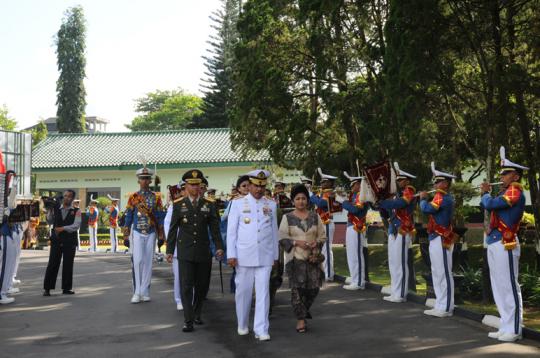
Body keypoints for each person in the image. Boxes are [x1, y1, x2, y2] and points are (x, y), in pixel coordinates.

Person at [166, 169, 224, 333]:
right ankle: (188, 319)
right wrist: (170, 250)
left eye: (197, 184)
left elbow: (215, 229)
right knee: (186, 286)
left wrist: (219, 247)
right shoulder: (178, 204)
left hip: (203, 250)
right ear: (185, 185)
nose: (195, 187)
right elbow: (173, 230)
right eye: (191, 185)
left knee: (202, 286)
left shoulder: (209, 204)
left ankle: (197, 313)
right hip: (185, 251)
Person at [480, 146, 527, 342]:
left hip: (505, 242)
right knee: (498, 285)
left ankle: (514, 328)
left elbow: (491, 204)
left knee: (508, 285)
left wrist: (485, 194)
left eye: (506, 173)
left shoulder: (516, 191)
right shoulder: (505, 192)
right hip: (495, 241)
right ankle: (506, 325)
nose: (502, 176)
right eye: (502, 173)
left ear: (515, 176)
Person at [227, 169, 279, 341]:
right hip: (244, 256)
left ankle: (261, 329)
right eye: (256, 186)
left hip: (264, 255)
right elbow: (232, 231)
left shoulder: (271, 204)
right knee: (243, 292)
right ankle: (242, 323)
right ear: (249, 185)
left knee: (263, 293)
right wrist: (231, 254)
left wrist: (275, 256)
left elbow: (273, 231)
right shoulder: (238, 203)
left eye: (262, 186)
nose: (259, 190)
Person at [279, 184, 326, 333]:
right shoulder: (287, 217)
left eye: (303, 198)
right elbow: (282, 238)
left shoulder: (315, 216)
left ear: (307, 200)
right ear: (293, 201)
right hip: (295, 259)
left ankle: (303, 311)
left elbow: (322, 235)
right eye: (298, 198)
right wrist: (295, 242)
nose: (301, 201)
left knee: (314, 289)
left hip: (312, 258)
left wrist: (316, 243)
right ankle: (300, 320)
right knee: (297, 290)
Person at [123, 164, 165, 304]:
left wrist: (161, 235)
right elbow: (128, 216)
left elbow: (159, 217)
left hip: (151, 232)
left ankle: (145, 291)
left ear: (150, 181)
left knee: (148, 262)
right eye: (142, 179)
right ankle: (136, 291)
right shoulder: (133, 197)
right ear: (138, 180)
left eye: (147, 179)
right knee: (137, 261)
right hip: (137, 232)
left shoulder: (156, 197)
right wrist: (125, 234)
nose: (145, 181)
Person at [419, 162, 456, 318]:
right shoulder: (439, 197)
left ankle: (446, 306)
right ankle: (440, 303)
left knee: (443, 272)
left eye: (437, 181)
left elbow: (427, 209)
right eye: (434, 182)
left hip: (442, 238)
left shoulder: (444, 198)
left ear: (445, 184)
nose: (434, 184)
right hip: (435, 236)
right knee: (436, 272)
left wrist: (422, 199)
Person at [378, 163, 417, 302]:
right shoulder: (396, 194)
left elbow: (400, 204)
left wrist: (383, 203)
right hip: (393, 229)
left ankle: (401, 294)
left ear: (407, 180)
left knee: (400, 262)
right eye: (398, 180)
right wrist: (377, 203)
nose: (398, 182)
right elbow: (388, 209)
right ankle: (395, 291)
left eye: (401, 180)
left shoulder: (410, 191)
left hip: (403, 228)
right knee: (393, 262)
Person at [42, 189, 82, 296]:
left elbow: (76, 225)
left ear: (72, 198)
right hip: (56, 240)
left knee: (68, 264)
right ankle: (47, 288)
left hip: (70, 241)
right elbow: (49, 221)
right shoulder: (55, 208)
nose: (67, 198)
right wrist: (49, 210)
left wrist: (63, 228)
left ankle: (66, 288)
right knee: (53, 263)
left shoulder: (77, 210)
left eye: (69, 196)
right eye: (65, 196)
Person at [337, 172, 369, 291]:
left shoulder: (361, 195)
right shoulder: (355, 196)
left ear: (359, 184)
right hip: (351, 225)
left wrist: (343, 202)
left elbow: (355, 210)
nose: (352, 188)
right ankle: (355, 279)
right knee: (351, 255)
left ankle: (359, 281)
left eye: (353, 185)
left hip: (357, 226)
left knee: (357, 255)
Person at [310, 168, 341, 281]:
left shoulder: (330, 193)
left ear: (330, 183)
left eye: (324, 181)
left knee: (326, 249)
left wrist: (311, 195)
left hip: (327, 222)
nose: (321, 183)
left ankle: (328, 274)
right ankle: (323, 272)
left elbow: (321, 203)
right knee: (321, 249)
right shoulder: (324, 193)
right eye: (322, 181)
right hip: (321, 223)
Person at [221, 175, 250, 294]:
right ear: (238, 188)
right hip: (239, 238)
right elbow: (224, 217)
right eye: (244, 186)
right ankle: (236, 290)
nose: (247, 188)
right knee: (238, 268)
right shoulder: (234, 202)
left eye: (249, 185)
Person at [165, 181, 185, 311]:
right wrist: (171, 248)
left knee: (191, 276)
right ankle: (179, 299)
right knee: (179, 275)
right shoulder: (174, 206)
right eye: (182, 189)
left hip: (192, 246)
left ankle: (190, 298)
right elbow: (168, 228)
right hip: (178, 246)